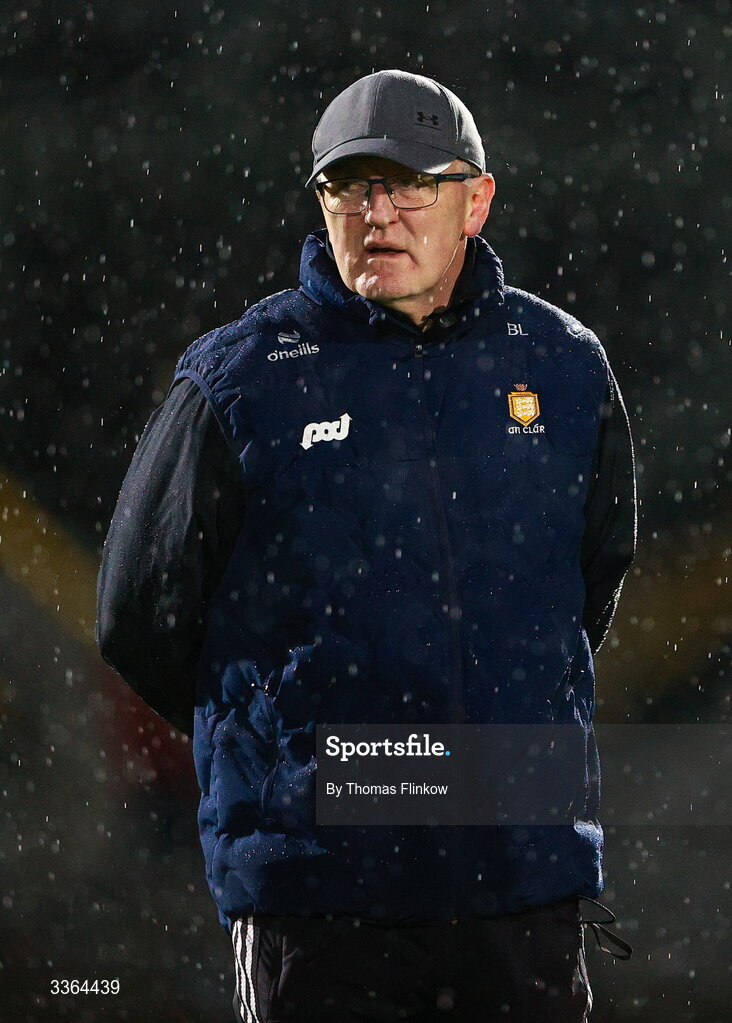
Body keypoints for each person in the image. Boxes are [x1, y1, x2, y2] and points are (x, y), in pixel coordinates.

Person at [96, 69, 636, 1022]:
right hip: (320, 897)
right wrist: (286, 738)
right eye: (350, 186)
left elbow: (588, 583)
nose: (377, 211)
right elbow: (138, 614)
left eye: (408, 183)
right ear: (322, 204)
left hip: (523, 885)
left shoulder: (565, 367)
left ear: (477, 200)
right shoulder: (241, 381)